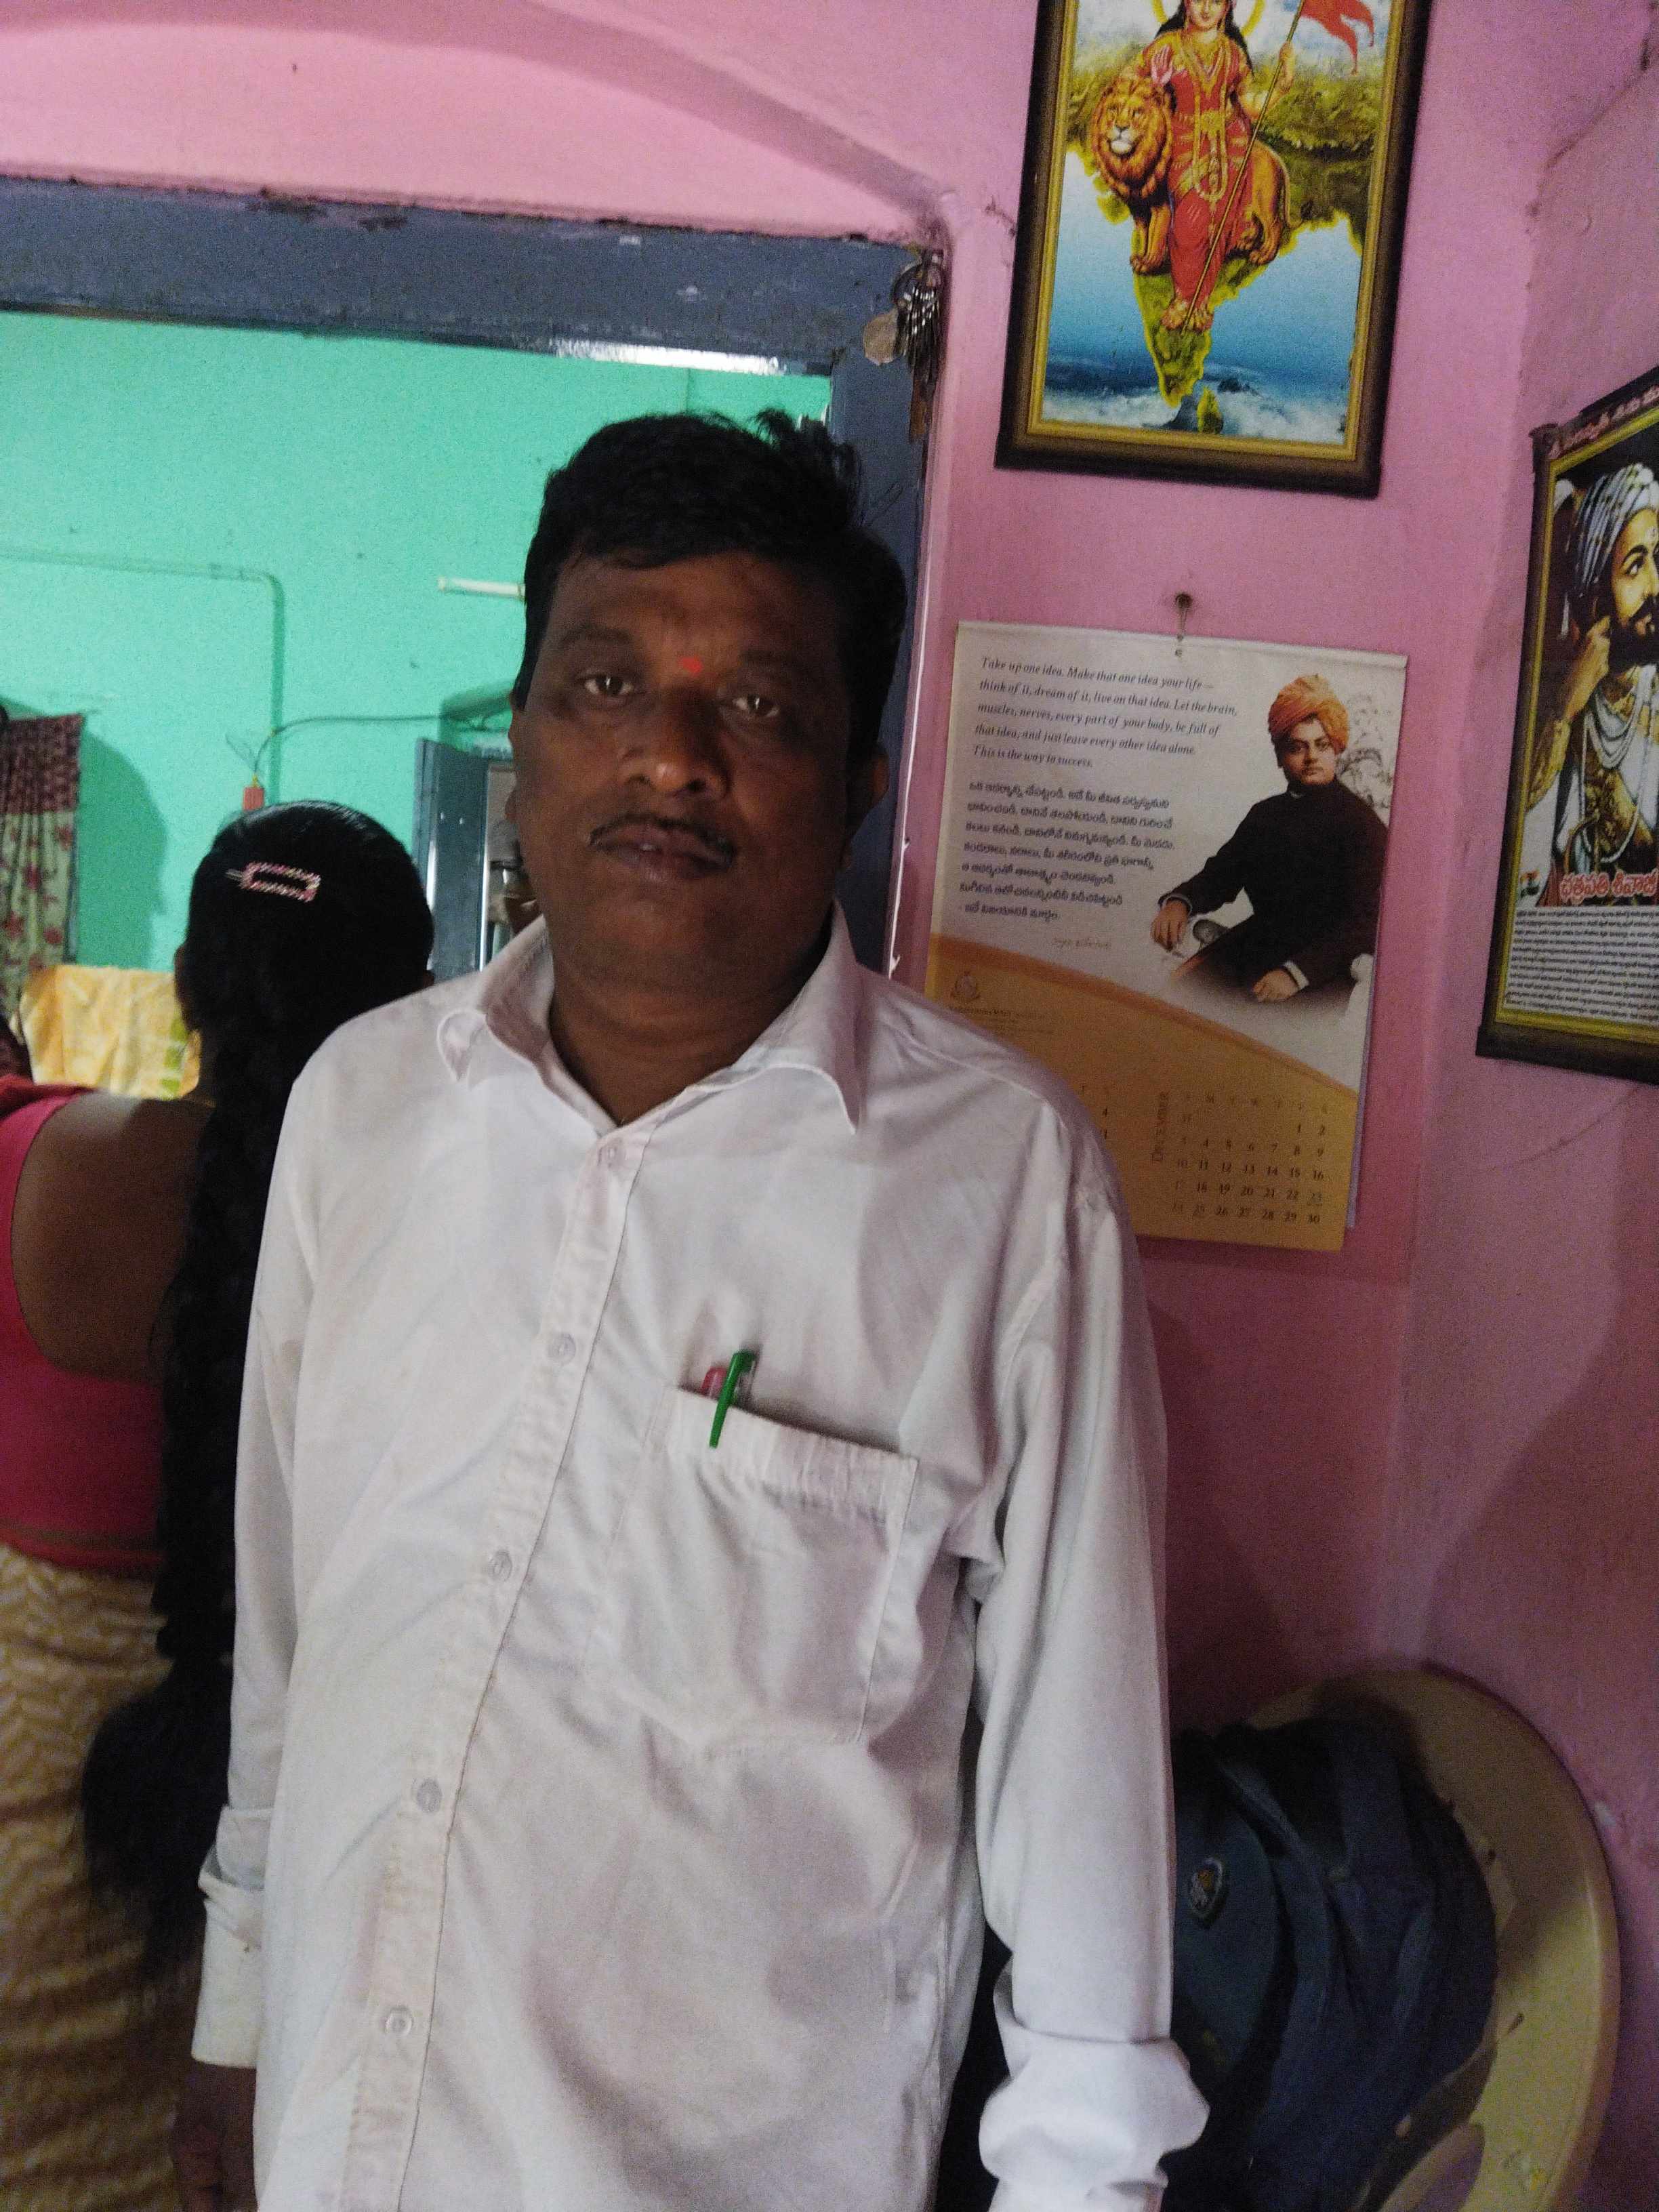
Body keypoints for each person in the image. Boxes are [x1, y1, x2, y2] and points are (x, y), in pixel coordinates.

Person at [178, 412, 1208, 2212]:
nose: (668, 757)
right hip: (344, 2141)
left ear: (857, 780)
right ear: (520, 736)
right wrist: (241, 2009)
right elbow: (292, 1618)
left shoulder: (1000, 1185)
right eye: (602, 685)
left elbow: (1080, 1770)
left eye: (757, 705)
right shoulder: (365, 1107)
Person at [0, 803, 432, 2212]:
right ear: (410, 1007)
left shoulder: (28, 1157)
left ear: (182, 983)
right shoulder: (432, 1239)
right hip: (294, 1845)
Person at [1151, 674, 1387, 1002]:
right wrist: (1180, 902)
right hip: (1257, 945)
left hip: (1320, 970)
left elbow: (1366, 923)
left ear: (1336, 749)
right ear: (1279, 757)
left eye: (1321, 745)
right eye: (1297, 748)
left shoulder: (1362, 825)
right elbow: (1222, 875)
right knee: (1175, 993)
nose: (1311, 757)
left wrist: (1295, 974)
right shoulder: (1265, 815)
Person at [1525, 461, 1659, 901]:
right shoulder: (1566, 706)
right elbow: (1527, 876)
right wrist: (1564, 714)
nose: (1655, 586)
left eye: (1658, 559)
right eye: (1635, 567)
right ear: (1595, 586)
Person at [1134, 0, 1293, 332]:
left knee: (1218, 223)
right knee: (1188, 225)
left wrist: (1281, 86)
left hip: (1228, 146)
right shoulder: (1166, 48)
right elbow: (1127, 84)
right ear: (1186, 3)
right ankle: (1183, 298)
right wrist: (1154, 87)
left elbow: (1250, 106)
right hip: (1182, 146)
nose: (1206, 9)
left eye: (1216, 1)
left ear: (1228, 7)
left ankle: (1200, 302)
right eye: (1199, 0)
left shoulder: (1233, 55)